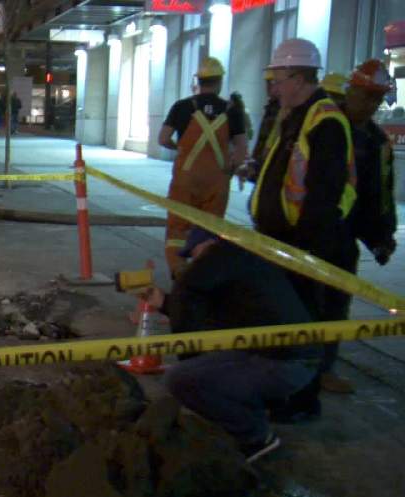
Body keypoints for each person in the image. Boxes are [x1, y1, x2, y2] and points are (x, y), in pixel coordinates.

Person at [140, 227, 321, 462]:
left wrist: (191, 363)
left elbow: (190, 305)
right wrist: (165, 302)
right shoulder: (242, 263)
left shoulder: (215, 262)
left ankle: (255, 437)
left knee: (181, 379)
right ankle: (249, 413)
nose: (194, 262)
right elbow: (215, 313)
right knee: (196, 372)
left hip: (284, 362)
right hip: (288, 356)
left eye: (195, 254)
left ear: (209, 245)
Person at [250, 38, 357, 422]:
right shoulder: (295, 116)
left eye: (278, 79)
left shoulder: (324, 121)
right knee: (285, 329)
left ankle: (300, 401)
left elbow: (323, 198)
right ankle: (284, 394)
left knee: (303, 330)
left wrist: (304, 253)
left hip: (305, 249)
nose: (273, 87)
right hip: (284, 245)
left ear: (298, 77)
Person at [317, 59, 398, 394]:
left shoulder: (377, 142)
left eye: (377, 99)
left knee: (335, 303)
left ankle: (323, 369)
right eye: (366, 96)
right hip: (308, 231)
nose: (371, 105)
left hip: (342, 237)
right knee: (298, 301)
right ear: (350, 90)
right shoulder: (323, 124)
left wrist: (382, 236)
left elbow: (378, 194)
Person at [157, 57, 249, 279]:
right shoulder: (232, 110)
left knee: (178, 230)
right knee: (209, 231)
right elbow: (241, 149)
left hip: (185, 180)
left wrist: (179, 148)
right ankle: (203, 277)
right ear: (219, 81)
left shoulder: (182, 107)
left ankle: (179, 273)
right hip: (216, 182)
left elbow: (162, 139)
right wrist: (233, 168)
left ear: (198, 80)